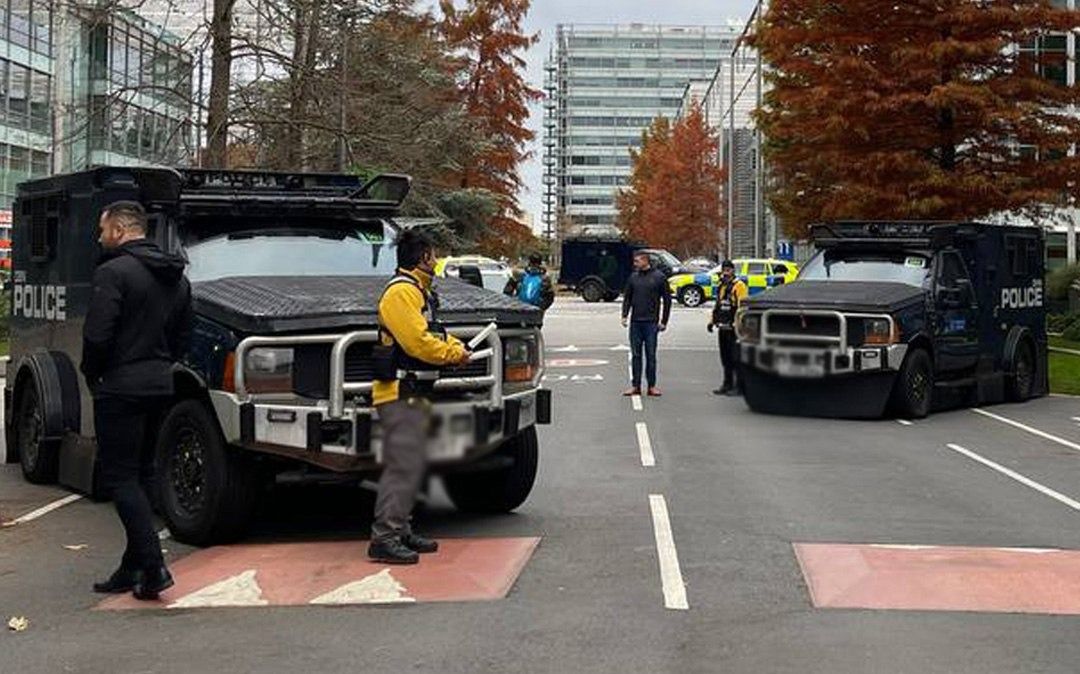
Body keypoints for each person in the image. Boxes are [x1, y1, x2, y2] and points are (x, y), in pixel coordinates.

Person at [83, 201, 192, 600]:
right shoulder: (177, 279)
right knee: (144, 473)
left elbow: (97, 334)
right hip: (160, 383)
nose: (99, 237)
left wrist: (92, 372)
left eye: (102, 229)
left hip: (119, 386)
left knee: (120, 478)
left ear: (118, 230)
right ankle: (132, 569)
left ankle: (153, 564)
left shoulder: (112, 273)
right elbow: (184, 334)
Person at [369, 228, 472, 564]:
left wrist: (455, 346)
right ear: (423, 257)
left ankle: (400, 529)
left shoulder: (418, 292)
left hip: (413, 391)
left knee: (412, 464)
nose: (437, 260)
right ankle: (384, 537)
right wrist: (452, 354)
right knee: (403, 465)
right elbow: (417, 342)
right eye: (434, 254)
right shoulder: (401, 293)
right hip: (399, 391)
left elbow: (433, 333)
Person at [621, 251, 672, 397]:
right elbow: (627, 298)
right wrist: (624, 315)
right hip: (636, 322)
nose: (635, 264)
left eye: (637, 261)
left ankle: (651, 385)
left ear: (645, 261)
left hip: (651, 323)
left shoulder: (659, 277)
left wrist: (664, 321)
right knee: (636, 355)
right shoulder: (633, 277)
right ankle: (635, 386)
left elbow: (667, 300)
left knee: (651, 354)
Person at [708, 260, 749, 396]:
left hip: (734, 328)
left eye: (728, 270)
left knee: (735, 358)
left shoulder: (739, 286)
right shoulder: (721, 286)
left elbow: (742, 307)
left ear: (733, 271)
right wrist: (712, 321)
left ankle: (739, 386)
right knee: (725, 358)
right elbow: (718, 305)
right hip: (723, 327)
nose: (726, 272)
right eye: (724, 270)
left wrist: (737, 323)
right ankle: (727, 384)